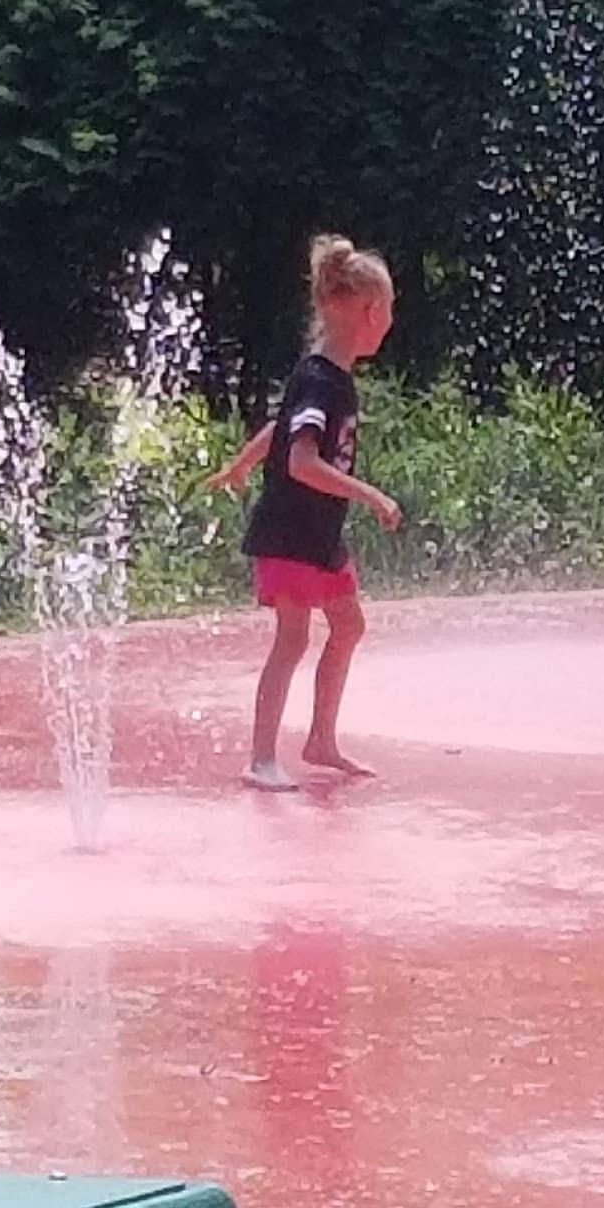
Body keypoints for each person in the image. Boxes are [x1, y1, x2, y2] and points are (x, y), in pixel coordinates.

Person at [208, 235, 402, 791]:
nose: (388, 322)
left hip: (318, 534)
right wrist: (371, 495)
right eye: (387, 310)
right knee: (292, 639)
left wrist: (240, 464)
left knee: (348, 624)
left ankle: (320, 740)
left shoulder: (328, 377)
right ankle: (261, 758)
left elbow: (279, 428)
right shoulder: (320, 378)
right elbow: (299, 460)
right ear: (368, 313)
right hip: (290, 531)